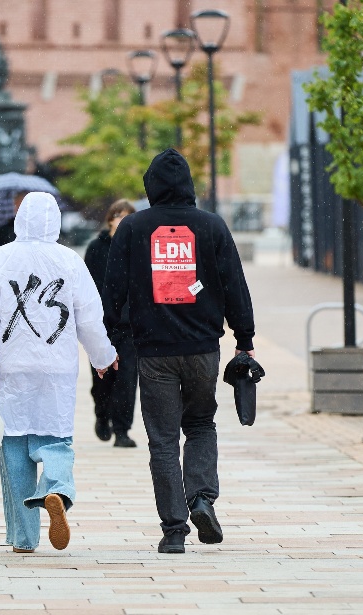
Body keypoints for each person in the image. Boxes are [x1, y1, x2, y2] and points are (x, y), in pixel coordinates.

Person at [102, 149, 255, 555]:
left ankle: (173, 530)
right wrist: (245, 338)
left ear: (150, 186)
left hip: (153, 350)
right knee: (201, 424)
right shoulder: (211, 226)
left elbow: (112, 288)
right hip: (203, 347)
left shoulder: (133, 227)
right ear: (188, 184)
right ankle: (201, 497)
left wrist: (111, 336)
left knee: (163, 439)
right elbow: (234, 283)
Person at [0, 191, 118, 553]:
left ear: (20, 219)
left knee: (14, 448)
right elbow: (89, 315)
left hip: (13, 367)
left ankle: (24, 538)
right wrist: (103, 356)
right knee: (55, 438)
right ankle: (56, 489)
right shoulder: (69, 261)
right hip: (57, 369)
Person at [83, 199, 139, 448]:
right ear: (109, 219)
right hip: (100, 323)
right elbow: (85, 285)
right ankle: (102, 414)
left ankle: (122, 430)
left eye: (127, 216)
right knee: (102, 378)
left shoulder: (139, 247)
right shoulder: (96, 247)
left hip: (130, 325)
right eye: (118, 215)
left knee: (127, 379)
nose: (122, 220)